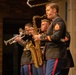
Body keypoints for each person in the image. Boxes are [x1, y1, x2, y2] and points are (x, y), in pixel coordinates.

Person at [32, 3, 67, 75]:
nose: (46, 12)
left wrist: (40, 37)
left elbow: (55, 37)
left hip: (55, 54)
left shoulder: (58, 21)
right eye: (46, 10)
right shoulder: (54, 21)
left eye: (48, 10)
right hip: (51, 54)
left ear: (54, 10)